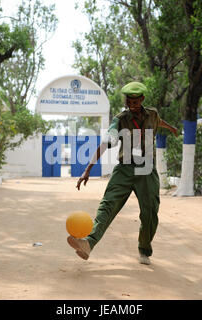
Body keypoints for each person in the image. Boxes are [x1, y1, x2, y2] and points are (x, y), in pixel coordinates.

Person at [67, 81, 178, 265]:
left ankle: (144, 249)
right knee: (107, 206)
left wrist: (171, 128)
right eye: (129, 102)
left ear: (142, 99)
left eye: (135, 102)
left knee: (150, 212)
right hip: (124, 168)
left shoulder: (153, 114)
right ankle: (88, 243)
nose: (132, 105)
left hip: (147, 169)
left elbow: (159, 121)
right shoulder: (119, 119)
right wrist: (88, 169)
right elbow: (107, 139)